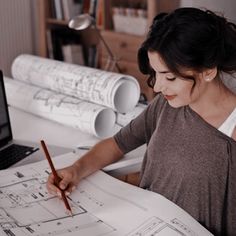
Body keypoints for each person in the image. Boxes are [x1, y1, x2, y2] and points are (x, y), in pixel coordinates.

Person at [47, 7, 236, 235]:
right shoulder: (166, 105)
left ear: (207, 71)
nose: (157, 87)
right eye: (155, 74)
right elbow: (117, 144)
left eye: (170, 77)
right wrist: (75, 170)